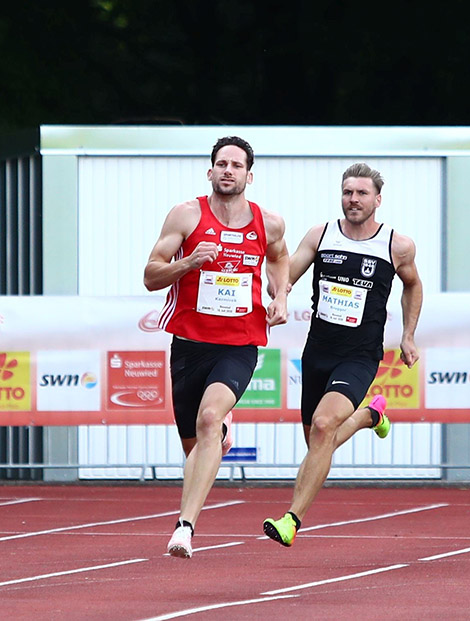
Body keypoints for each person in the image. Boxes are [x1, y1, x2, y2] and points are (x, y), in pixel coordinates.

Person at [262, 163, 423, 547]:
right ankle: (371, 415)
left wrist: (408, 335)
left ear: (377, 200)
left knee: (323, 426)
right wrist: (280, 295)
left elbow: (413, 286)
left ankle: (291, 520)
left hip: (360, 354)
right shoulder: (321, 235)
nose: (354, 199)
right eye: (348, 192)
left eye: (362, 193)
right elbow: (287, 276)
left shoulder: (396, 245)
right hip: (317, 351)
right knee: (320, 442)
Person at [144, 136, 289, 559]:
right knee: (195, 448)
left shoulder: (269, 222)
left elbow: (278, 256)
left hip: (239, 344)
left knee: (209, 418)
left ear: (249, 175)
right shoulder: (187, 216)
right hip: (189, 346)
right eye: (221, 164)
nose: (228, 170)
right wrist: (189, 262)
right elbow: (151, 276)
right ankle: (220, 435)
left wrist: (280, 296)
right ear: (210, 172)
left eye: (236, 165)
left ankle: (184, 528)